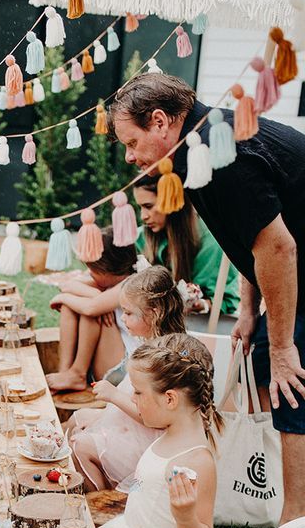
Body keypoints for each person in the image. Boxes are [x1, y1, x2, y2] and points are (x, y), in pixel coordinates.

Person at [108, 73, 305, 522]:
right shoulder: (194, 148)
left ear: (160, 122)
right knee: (259, 368)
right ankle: (257, 483)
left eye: (132, 141)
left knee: (291, 385)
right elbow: (252, 239)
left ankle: (291, 526)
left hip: (299, 266)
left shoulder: (223, 154)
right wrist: (250, 309)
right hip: (289, 265)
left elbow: (278, 247)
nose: (129, 155)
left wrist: (281, 345)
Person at [98, 334, 234, 528]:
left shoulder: (197, 460)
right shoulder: (168, 429)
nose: (132, 398)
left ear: (170, 399)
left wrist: (185, 516)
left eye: (137, 392)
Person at [68, 266, 187, 490]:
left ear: (153, 313)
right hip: (131, 426)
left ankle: (105, 502)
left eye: (129, 313)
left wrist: (112, 395)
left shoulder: (161, 358)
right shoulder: (150, 343)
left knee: (78, 445)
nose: (122, 319)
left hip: (150, 443)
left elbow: (153, 418)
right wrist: (103, 415)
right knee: (78, 419)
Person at [45, 228, 137, 392]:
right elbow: (67, 285)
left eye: (94, 270)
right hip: (112, 353)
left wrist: (62, 298)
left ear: (109, 268)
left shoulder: (131, 284)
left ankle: (78, 373)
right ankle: (66, 372)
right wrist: (95, 293)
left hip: (126, 369)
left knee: (86, 307)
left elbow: (90, 308)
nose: (90, 274)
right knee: (72, 305)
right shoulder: (107, 281)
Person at [133, 174, 239, 315]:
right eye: (140, 207)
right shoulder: (139, 237)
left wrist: (201, 305)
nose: (143, 216)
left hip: (195, 326)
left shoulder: (211, 242)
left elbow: (226, 301)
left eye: (148, 206)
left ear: (170, 201)